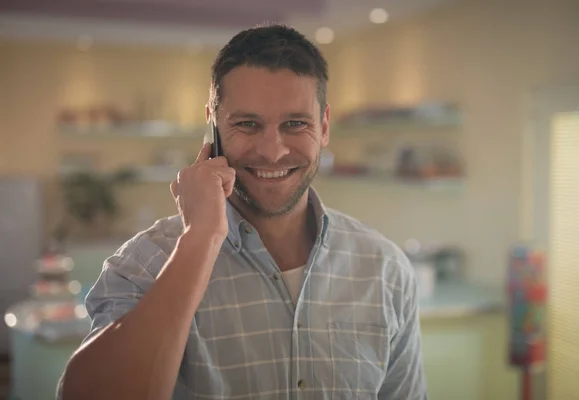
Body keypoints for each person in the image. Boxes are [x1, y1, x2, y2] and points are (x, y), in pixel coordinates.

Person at [58, 23, 428, 400]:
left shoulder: (385, 269)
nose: (272, 151)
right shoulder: (142, 265)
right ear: (213, 126)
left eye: (296, 124)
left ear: (325, 126)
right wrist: (200, 239)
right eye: (247, 124)